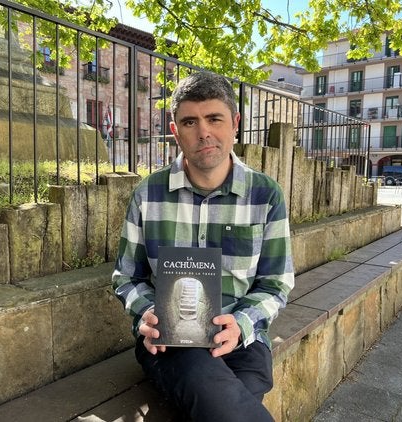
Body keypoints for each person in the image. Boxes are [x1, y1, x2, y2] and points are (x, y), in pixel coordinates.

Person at [112, 71, 295, 421]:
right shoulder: (147, 195)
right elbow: (126, 277)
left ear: (235, 123)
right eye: (190, 121)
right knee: (220, 402)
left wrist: (240, 324)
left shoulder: (266, 195)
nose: (203, 132)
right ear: (174, 129)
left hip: (243, 339)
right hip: (171, 342)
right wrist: (147, 316)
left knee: (222, 405)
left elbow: (276, 283)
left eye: (214, 118)